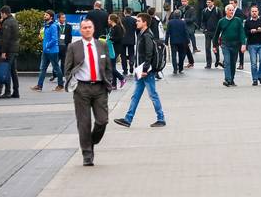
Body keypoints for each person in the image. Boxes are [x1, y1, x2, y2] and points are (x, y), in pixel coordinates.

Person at [64, 18, 113, 166]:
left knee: (102, 120)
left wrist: (108, 81)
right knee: (84, 123)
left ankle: (91, 141)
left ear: (93, 29)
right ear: (80, 30)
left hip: (99, 88)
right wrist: (74, 85)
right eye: (84, 27)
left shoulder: (102, 45)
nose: (87, 30)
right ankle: (87, 154)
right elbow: (67, 69)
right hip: (82, 89)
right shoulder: (74, 47)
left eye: (89, 27)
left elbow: (108, 67)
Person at [115, 13, 166, 129]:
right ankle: (128, 119)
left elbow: (149, 54)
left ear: (145, 23)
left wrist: (145, 69)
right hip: (140, 70)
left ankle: (161, 118)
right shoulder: (142, 34)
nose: (136, 22)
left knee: (153, 94)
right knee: (136, 95)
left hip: (145, 71)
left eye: (138, 21)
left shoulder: (147, 35)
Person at [214, 3, 246, 87]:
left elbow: (242, 32)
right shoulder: (221, 21)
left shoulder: (238, 20)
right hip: (225, 44)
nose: (231, 12)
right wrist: (214, 46)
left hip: (235, 44)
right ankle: (227, 79)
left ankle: (231, 79)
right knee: (227, 62)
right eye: (230, 10)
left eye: (232, 10)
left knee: (233, 63)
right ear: (226, 11)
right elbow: (216, 34)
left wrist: (243, 44)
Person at [33, 10, 65, 92]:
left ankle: (60, 85)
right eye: (44, 14)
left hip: (52, 51)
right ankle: (39, 86)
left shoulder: (53, 26)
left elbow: (54, 39)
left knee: (56, 68)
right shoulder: (46, 26)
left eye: (46, 15)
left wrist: (47, 45)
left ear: (51, 17)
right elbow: (47, 37)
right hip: (46, 51)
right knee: (43, 68)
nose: (44, 16)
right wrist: (42, 38)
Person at [0, 5, 20, 98]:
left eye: (1, 14)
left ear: (3, 13)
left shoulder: (7, 23)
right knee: (13, 72)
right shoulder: (14, 21)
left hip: (9, 50)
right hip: (14, 49)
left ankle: (7, 91)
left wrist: (3, 52)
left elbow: (5, 39)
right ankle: (16, 91)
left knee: (6, 70)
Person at [244, 4, 261, 85]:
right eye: (253, 11)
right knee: (253, 63)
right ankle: (255, 79)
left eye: (255, 11)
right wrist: (250, 31)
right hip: (252, 44)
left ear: (258, 12)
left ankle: (259, 75)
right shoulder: (248, 21)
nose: (254, 13)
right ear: (250, 12)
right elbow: (245, 32)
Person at [165, 10, 190, 77]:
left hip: (173, 41)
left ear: (173, 15)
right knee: (181, 55)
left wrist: (166, 41)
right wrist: (188, 41)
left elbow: (167, 32)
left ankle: (175, 69)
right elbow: (186, 32)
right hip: (182, 41)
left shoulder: (170, 22)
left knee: (174, 55)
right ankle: (181, 68)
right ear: (180, 15)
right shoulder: (183, 22)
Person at [200, 0, 221, 68]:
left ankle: (217, 60)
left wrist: (219, 30)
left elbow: (220, 20)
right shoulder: (204, 11)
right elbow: (203, 21)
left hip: (215, 32)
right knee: (207, 48)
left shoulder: (217, 10)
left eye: (209, 2)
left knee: (216, 47)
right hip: (208, 32)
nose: (208, 4)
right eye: (207, 2)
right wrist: (204, 29)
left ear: (213, 2)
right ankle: (208, 63)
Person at [179, 0, 198, 68]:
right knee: (185, 47)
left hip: (189, 28)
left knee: (184, 46)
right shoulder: (180, 8)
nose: (183, 3)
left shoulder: (191, 9)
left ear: (187, 1)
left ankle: (182, 63)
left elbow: (193, 19)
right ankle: (191, 61)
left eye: (184, 1)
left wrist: (185, 20)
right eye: (182, 1)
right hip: (182, 29)